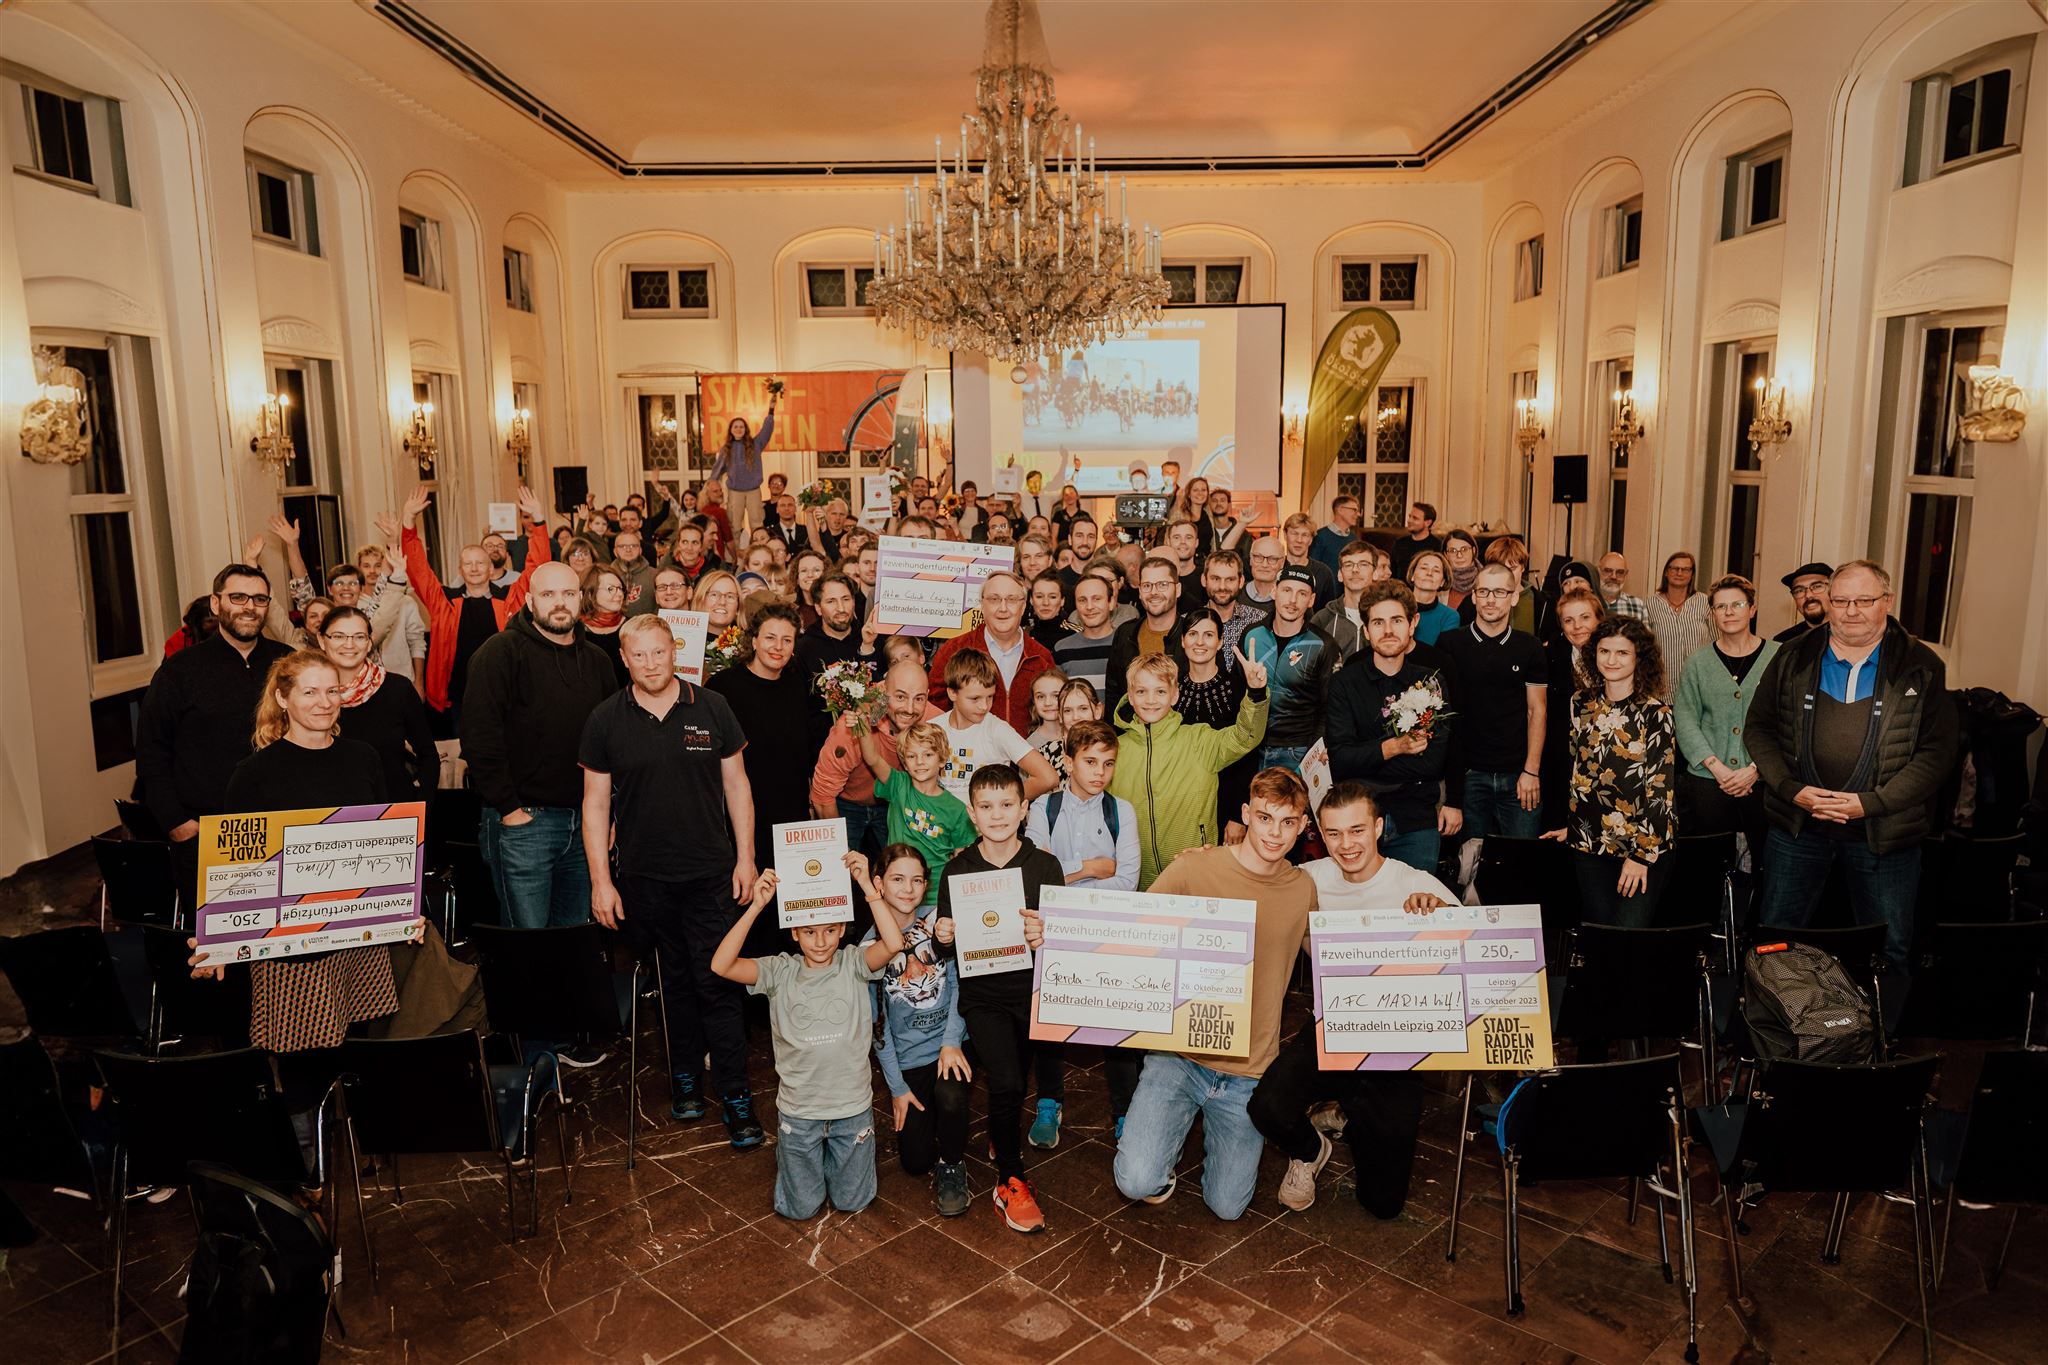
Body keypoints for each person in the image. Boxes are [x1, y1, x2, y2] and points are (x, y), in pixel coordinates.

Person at [582, 614, 764, 1142]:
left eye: (658, 652)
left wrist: (745, 858)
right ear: (624, 658)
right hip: (644, 880)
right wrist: (601, 881)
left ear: (674, 650)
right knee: (674, 981)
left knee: (719, 984)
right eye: (638, 655)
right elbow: (595, 805)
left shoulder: (712, 707)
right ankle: (685, 1077)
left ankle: (735, 1094)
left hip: (711, 874)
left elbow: (738, 787)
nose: (650, 663)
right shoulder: (604, 719)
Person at [1114, 768, 1319, 1220]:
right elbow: (1133, 928)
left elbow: (1328, 957)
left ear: (1304, 826)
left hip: (1249, 1069)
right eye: (1265, 818)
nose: (1275, 833)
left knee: (1227, 1207)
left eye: (1288, 822)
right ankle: (1162, 1151)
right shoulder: (1195, 866)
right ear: (1246, 814)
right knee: (1136, 1181)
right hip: (1178, 1056)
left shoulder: (1302, 887)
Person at [1246, 782, 1456, 1214]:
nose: (1346, 844)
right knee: (1266, 1106)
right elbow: (1248, 881)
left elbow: (1477, 941)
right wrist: (1203, 858)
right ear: (1320, 835)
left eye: (1357, 830)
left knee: (1383, 1204)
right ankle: (1310, 1148)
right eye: (1334, 834)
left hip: (1394, 1041)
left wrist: (1441, 914)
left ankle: (1347, 1112)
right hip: (1333, 1024)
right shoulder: (1309, 879)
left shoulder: (1413, 882)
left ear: (1378, 827)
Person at [1747, 560, 1958, 979]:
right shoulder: (1792, 656)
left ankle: (1879, 1041)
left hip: (1884, 832)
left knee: (1889, 949)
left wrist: (1872, 804)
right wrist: (1792, 790)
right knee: (1776, 943)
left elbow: (1936, 753)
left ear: (1887, 601)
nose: (1851, 610)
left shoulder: (1921, 665)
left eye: (1864, 600)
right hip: (1798, 827)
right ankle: (1778, 1038)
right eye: (1840, 600)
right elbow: (1758, 729)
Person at [208, 650, 408, 1057]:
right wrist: (222, 939)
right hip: (293, 948)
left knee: (359, 1054)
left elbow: (386, 842)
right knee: (303, 1064)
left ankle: (350, 1122)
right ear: (283, 698)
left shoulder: (364, 757)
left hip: (358, 937)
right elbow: (237, 865)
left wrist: (403, 911)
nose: (324, 702)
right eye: (310, 691)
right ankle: (305, 1122)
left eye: (332, 690)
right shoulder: (253, 774)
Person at [711, 864, 904, 1217]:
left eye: (831, 930)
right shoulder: (778, 970)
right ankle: (801, 1158)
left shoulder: (854, 963)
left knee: (852, 1202)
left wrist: (866, 886)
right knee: (799, 1209)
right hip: (800, 1111)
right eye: (810, 931)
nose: (821, 941)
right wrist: (755, 906)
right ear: (794, 932)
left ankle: (829, 1163)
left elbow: (894, 943)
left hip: (851, 1109)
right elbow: (721, 965)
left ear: (843, 928)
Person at [931, 763, 1064, 1232]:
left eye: (1007, 805)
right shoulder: (957, 870)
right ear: (972, 813)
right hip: (982, 997)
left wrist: (1044, 934)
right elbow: (942, 947)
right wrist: (942, 934)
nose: (998, 815)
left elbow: (1060, 939)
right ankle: (1010, 1179)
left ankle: (1000, 1130)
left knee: (1017, 1080)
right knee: (1007, 1082)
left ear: (1023, 808)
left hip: (1031, 994)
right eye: (986, 807)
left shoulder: (1046, 866)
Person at [461, 559, 616, 931]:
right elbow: (480, 738)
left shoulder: (597, 661)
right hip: (523, 824)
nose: (559, 602)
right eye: (548, 594)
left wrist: (612, 815)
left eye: (567, 593)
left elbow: (615, 742)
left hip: (585, 827)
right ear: (530, 601)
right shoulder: (499, 653)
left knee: (572, 944)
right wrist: (511, 811)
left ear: (581, 600)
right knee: (528, 949)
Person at [136, 561, 295, 895]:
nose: (249, 607)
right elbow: (152, 750)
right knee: (216, 943)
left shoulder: (287, 662)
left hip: (284, 826)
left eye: (259, 599)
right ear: (215, 603)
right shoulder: (180, 671)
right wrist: (176, 823)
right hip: (206, 834)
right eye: (238, 597)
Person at [1021, 719, 1142, 1147]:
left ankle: (1126, 1110)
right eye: (1090, 762)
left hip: (1106, 930)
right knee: (1050, 1020)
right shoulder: (1043, 809)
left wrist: (1062, 875)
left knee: (1116, 1024)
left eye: (1108, 764)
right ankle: (1050, 1101)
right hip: (1053, 932)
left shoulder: (1120, 811)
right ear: (1068, 762)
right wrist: (1090, 869)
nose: (1099, 772)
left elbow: (1127, 880)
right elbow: (1036, 879)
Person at [859, 844, 972, 1214]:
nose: (908, 889)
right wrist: (897, 1088)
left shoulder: (940, 924)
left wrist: (952, 1041)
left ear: (926, 886)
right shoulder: (868, 947)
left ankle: (953, 1165)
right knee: (914, 1161)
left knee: (951, 1095)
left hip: (947, 1045)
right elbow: (878, 1027)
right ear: (878, 883)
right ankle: (937, 1116)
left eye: (917, 880)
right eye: (897, 879)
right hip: (908, 1060)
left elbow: (957, 983)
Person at [1542, 616, 1677, 925]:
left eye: (1622, 653)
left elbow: (1660, 794)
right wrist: (1574, 824)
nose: (1611, 660)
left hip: (1643, 847)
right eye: (1604, 651)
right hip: (1590, 842)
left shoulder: (1656, 714)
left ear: (1638, 658)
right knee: (1599, 936)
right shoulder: (1581, 703)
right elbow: (1581, 773)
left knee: (1627, 938)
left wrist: (1641, 856)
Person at [711, 604, 828, 941]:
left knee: (785, 913)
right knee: (745, 909)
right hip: (740, 821)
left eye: (787, 640)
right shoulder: (724, 687)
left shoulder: (796, 686)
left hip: (790, 820)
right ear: (754, 640)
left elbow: (804, 754)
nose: (778, 647)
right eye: (771, 638)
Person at [1326, 582, 1459, 873]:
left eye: (1397, 621)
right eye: (1378, 622)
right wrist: (1394, 747)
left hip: (1415, 824)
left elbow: (1433, 764)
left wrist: (1366, 761)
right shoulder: (1344, 684)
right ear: (1366, 630)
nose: (1388, 630)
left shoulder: (1431, 683)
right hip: (1355, 824)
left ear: (1413, 624)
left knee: (1415, 912)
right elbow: (1339, 761)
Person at [396, 484, 552, 728]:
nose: (474, 568)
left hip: (508, 693)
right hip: (460, 695)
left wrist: (538, 520)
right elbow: (418, 569)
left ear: (491, 569)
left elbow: (538, 567)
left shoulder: (509, 598)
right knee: (466, 756)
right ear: (460, 570)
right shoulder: (444, 601)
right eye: (467, 564)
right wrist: (408, 521)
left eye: (480, 562)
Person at [1110, 650, 1269, 886]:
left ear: (1175, 695)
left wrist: (1255, 692)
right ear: (1130, 697)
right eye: (1141, 691)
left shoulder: (1199, 740)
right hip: (1134, 880)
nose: (1150, 700)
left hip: (1194, 875)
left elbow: (1244, 737)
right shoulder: (1115, 751)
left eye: (1160, 691)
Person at [1674, 575, 1779, 878]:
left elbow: (1788, 720)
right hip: (1708, 781)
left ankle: (1755, 924)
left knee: (1765, 864)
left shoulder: (1778, 656)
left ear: (1752, 609)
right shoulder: (1697, 662)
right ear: (1713, 614)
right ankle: (1712, 923)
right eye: (1721, 606)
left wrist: (1756, 768)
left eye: (1737, 604)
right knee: (1709, 867)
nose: (1729, 611)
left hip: (1763, 782)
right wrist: (1717, 768)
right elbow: (1686, 719)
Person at [1437, 561, 1548, 839]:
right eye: (1484, 591)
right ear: (1473, 596)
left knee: (1519, 868)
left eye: (1499, 592)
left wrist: (1531, 771)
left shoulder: (1530, 647)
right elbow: (1441, 716)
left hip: (1518, 776)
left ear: (1513, 598)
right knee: (1468, 869)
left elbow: (1537, 710)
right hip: (1468, 775)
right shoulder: (1449, 644)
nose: (1490, 599)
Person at [813, 657, 939, 854]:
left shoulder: (935, 725)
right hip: (847, 803)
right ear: (884, 692)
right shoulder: (854, 724)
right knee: (843, 871)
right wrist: (839, 850)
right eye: (900, 697)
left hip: (895, 804)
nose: (909, 708)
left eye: (919, 698)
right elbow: (823, 794)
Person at [320, 606, 436, 800]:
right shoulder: (310, 694)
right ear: (322, 640)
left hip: (392, 809)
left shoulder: (398, 689)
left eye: (359, 637)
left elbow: (428, 755)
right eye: (339, 636)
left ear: (369, 643)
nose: (349, 645)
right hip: (329, 814)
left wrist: (422, 810)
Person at [859, 716, 975, 903]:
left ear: (942, 759)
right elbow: (872, 759)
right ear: (905, 763)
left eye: (928, 755)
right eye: (912, 756)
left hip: (935, 897)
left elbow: (960, 861)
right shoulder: (898, 785)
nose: (920, 762)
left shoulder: (958, 809)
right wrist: (860, 725)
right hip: (896, 890)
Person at [925, 573, 1056, 736]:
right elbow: (935, 708)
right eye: (994, 599)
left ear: (1023, 607)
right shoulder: (954, 650)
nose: (1003, 608)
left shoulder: (1041, 657)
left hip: (1028, 757)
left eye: (1012, 600)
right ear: (981, 605)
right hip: (970, 756)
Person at [1240, 566, 1337, 776]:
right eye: (1286, 590)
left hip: (1297, 751)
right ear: (1274, 592)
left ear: (1311, 600)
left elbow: (1329, 706)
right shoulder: (1252, 636)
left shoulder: (1323, 644)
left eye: (1301, 594)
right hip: (1249, 746)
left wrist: (1313, 754)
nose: (1292, 600)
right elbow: (1237, 692)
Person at [928, 648, 1059, 803]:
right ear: (952, 693)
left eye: (990, 697)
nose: (984, 706)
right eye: (975, 698)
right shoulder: (932, 729)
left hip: (985, 826)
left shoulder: (997, 730)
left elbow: (1048, 777)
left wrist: (1002, 803)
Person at [1541, 588, 1605, 829]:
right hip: (1561, 764)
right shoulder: (1548, 657)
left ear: (1599, 619)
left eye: (1585, 617)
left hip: (1607, 764)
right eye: (1569, 620)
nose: (1577, 626)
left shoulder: (1617, 655)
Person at [1103, 555, 1186, 717]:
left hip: (1181, 736)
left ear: (1178, 589)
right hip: (1132, 736)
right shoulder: (1125, 634)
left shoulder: (1193, 634)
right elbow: (1114, 694)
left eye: (1162, 585)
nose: (1154, 592)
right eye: (1147, 585)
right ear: (1140, 591)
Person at [708, 394, 778, 536]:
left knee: (757, 523)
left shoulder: (755, 444)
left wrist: (771, 410)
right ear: (731, 430)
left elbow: (767, 430)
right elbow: (717, 470)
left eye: (741, 427)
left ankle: (758, 553)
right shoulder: (726, 449)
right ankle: (735, 557)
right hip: (735, 492)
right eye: (736, 427)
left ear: (745, 429)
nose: (739, 429)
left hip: (753, 490)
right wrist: (710, 487)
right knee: (734, 525)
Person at [1646, 549, 1710, 689]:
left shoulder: (1705, 602)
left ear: (1692, 574)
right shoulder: (1651, 604)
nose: (1679, 573)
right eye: (1674, 568)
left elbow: (1717, 642)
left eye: (1685, 569)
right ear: (1666, 572)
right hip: (1662, 686)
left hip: (1698, 685)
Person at [791, 573, 871, 683]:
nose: (841, 608)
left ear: (854, 602)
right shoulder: (804, 649)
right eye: (831, 601)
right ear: (818, 608)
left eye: (846, 599)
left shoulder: (870, 639)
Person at [1309, 540, 1376, 659]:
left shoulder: (1385, 616)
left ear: (1375, 573)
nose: (1355, 570)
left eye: (1363, 564)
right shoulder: (1323, 619)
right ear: (1340, 574)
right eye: (1348, 564)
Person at [1053, 574, 1118, 694]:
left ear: (1111, 602)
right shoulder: (1062, 649)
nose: (1089, 607)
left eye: (1096, 599)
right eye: (1082, 600)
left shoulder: (1125, 645)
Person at [1199, 550, 1269, 659]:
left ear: (1241, 581)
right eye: (1216, 579)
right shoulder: (1190, 623)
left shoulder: (1259, 621)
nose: (1222, 587)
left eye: (1230, 579)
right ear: (1204, 580)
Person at [580, 565, 630, 686]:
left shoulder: (632, 627)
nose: (619, 594)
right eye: (611, 589)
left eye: (620, 588)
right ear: (590, 594)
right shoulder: (576, 632)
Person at [1280, 513, 1338, 610]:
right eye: (1294, 534)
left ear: (1311, 540)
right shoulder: (1275, 567)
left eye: (1305, 535)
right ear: (1285, 535)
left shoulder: (1323, 572)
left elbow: (1329, 612)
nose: (1299, 540)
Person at [1406, 549, 1460, 646]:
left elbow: (1442, 655)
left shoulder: (1449, 616)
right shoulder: (1396, 608)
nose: (1429, 573)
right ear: (1412, 575)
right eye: (1423, 568)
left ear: (1442, 582)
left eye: (1436, 570)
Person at [1023, 668, 1071, 776]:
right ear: (1033, 702)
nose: (1048, 702)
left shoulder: (1081, 736)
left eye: (1056, 696)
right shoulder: (1029, 746)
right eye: (1040, 696)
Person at [1774, 561, 1833, 643]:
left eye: (1817, 586)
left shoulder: (1851, 636)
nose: (1808, 595)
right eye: (1799, 590)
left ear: (1834, 590)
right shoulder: (1784, 642)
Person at [1308, 494, 1361, 583]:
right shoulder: (1320, 536)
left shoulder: (1354, 539)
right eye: (1354, 510)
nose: (1358, 514)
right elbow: (1313, 569)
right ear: (1340, 510)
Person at [1387, 501, 1443, 581]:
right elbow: (1392, 573)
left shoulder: (1438, 545)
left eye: (1415, 518)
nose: (1409, 520)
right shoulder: (1399, 543)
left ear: (1428, 523)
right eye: (1409, 516)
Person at [611, 531, 657, 617]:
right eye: (622, 546)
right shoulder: (605, 576)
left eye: (633, 546)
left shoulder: (655, 575)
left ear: (640, 550)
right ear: (615, 551)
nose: (628, 550)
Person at [1596, 551, 1650, 622]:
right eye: (1608, 571)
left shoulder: (1638, 605)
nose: (1614, 576)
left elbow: (1645, 633)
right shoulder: (1588, 602)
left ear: (1626, 575)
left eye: (1620, 572)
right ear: (1598, 571)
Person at [1027, 573, 1070, 652]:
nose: (1046, 603)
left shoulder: (1073, 634)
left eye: (1052, 597)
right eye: (1039, 596)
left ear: (1062, 601)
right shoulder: (1022, 635)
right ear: (1031, 600)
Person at [1441, 528, 1480, 612]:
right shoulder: (1439, 583)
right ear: (1446, 555)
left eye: (1464, 549)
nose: (1459, 555)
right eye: (1452, 551)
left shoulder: (1487, 579)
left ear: (1473, 550)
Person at [1240, 536, 1284, 608]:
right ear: (1250, 559)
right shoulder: (1235, 595)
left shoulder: (1289, 599)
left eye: (1272, 559)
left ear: (1282, 563)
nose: (1264, 565)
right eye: (1258, 557)